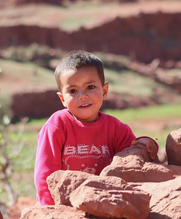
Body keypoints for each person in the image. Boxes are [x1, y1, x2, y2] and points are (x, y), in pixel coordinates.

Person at [34, 50, 158, 205]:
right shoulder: (57, 125)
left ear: (104, 91)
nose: (83, 96)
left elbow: (131, 157)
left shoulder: (115, 128)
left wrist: (144, 143)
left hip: (102, 204)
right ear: (62, 99)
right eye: (73, 91)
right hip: (62, 205)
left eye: (90, 87)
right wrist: (51, 209)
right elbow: (45, 174)